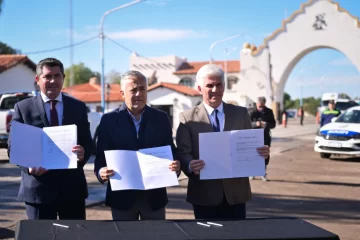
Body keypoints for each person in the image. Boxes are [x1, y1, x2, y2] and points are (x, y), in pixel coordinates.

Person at [176, 64, 270, 220]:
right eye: (209, 86)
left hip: (236, 194)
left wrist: (263, 154)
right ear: (199, 89)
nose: (215, 89)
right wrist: (190, 165)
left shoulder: (241, 113)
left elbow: (251, 148)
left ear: (224, 86)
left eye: (218, 84)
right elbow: (183, 152)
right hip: (203, 194)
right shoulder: (187, 118)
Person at [7, 58, 93, 220]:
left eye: (57, 76)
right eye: (47, 77)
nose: (53, 81)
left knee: (74, 235)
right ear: (37, 79)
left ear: (63, 78)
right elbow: (13, 147)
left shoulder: (78, 107)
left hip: (72, 191)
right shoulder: (23, 108)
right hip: (38, 191)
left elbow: (87, 143)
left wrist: (83, 153)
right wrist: (29, 166)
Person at [94, 70, 180, 221]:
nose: (139, 94)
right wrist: (102, 172)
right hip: (122, 198)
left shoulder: (161, 118)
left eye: (143, 89)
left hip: (154, 198)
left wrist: (176, 166)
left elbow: (170, 150)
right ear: (122, 93)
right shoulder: (109, 120)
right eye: (133, 90)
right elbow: (100, 157)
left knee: (157, 237)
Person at [249, 97, 276, 181]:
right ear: (256, 104)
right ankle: (252, 173)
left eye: (262, 106)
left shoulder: (269, 112)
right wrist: (255, 124)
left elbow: (273, 124)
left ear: (264, 104)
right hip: (253, 137)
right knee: (252, 155)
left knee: (264, 155)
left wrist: (266, 124)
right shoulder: (251, 112)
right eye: (259, 106)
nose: (260, 108)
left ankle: (263, 173)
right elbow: (246, 124)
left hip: (265, 137)